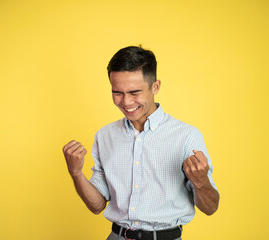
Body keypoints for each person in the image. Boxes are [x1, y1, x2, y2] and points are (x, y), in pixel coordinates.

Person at [62, 46, 219, 240]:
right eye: (117, 92)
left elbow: (210, 208)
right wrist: (76, 173)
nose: (126, 102)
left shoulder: (186, 136)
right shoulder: (104, 136)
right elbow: (97, 206)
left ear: (155, 87)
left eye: (134, 92)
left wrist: (201, 180)